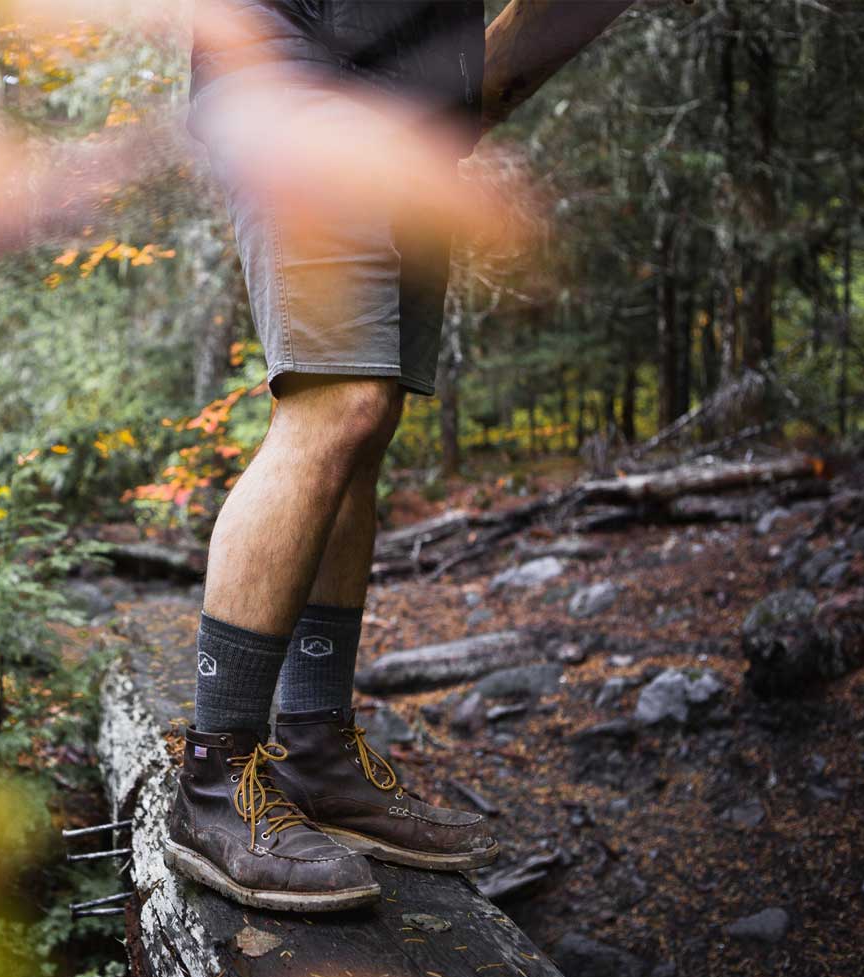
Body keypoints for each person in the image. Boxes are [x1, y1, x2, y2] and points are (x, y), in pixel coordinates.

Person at [164, 0, 651, 911]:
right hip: (298, 82)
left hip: (413, 120)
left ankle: (313, 748)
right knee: (334, 400)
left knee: (368, 415)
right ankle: (213, 777)